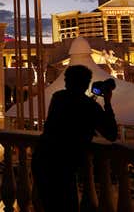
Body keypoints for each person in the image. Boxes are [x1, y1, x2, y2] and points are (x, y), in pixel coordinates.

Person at [31, 65, 117, 212]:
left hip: (43, 160)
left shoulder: (58, 97)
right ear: (86, 83)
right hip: (63, 167)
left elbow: (72, 108)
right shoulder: (90, 106)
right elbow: (111, 134)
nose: (64, 82)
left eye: (66, 79)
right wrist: (107, 102)